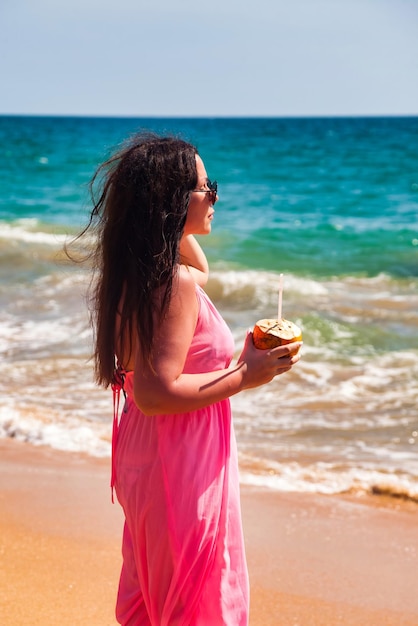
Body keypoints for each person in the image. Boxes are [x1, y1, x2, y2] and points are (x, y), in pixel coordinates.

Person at [83, 133, 302, 625]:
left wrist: (169, 223)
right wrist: (246, 373)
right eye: (207, 187)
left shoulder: (139, 275)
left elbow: (198, 268)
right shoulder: (172, 285)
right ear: (172, 201)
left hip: (149, 452)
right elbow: (156, 392)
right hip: (178, 455)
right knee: (195, 600)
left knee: (159, 591)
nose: (216, 197)